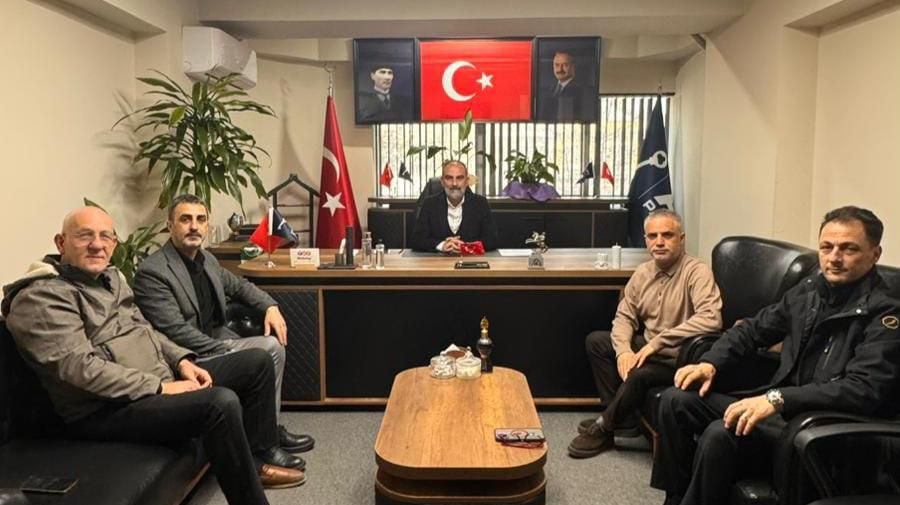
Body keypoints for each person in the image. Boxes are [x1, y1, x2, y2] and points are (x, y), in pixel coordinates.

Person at [1, 207, 304, 505]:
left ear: (114, 244)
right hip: (102, 408)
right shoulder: (41, 296)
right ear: (61, 243)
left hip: (148, 383)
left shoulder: (110, 278)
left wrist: (181, 361)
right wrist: (159, 387)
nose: (97, 244)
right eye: (85, 236)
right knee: (218, 403)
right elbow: (80, 369)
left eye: (106, 236)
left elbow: (146, 329)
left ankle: (257, 459)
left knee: (256, 362)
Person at [652, 206, 900, 505]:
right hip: (783, 412)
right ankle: (675, 498)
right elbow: (752, 330)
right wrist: (709, 363)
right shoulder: (810, 291)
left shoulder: (886, 313)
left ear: (875, 254)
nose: (834, 258)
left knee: (721, 432)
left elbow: (863, 390)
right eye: (827, 247)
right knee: (676, 399)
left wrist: (778, 398)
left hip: (822, 428)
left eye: (849, 249)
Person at [132, 194, 314, 463]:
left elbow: (240, 286)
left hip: (215, 337)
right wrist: (226, 349)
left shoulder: (206, 259)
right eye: (185, 219)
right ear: (170, 226)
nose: (194, 226)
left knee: (273, 344)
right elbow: (175, 331)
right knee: (268, 349)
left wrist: (270, 306)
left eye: (200, 220)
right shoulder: (154, 272)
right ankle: (263, 445)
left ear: (207, 225)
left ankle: (268, 430)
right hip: (187, 356)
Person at [568, 209, 722, 458]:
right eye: (652, 236)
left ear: (681, 239)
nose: (659, 242)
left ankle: (604, 426)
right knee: (597, 341)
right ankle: (622, 419)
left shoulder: (697, 271)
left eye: (667, 235)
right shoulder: (643, 272)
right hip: (650, 348)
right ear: (646, 240)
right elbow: (624, 316)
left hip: (680, 358)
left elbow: (711, 318)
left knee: (639, 374)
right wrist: (623, 351)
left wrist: (658, 342)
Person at [410, 159, 499, 253]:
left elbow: (492, 240)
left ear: (467, 181)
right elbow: (416, 240)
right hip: (438, 260)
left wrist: (464, 247)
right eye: (449, 178)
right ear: (442, 181)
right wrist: (442, 245)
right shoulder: (430, 204)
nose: (454, 183)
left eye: (460, 178)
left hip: (470, 260)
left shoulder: (480, 203)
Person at [539, 51, 586, 122]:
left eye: (565, 65)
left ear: (573, 67)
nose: (560, 69)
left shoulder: (582, 90)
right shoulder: (549, 89)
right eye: (557, 65)